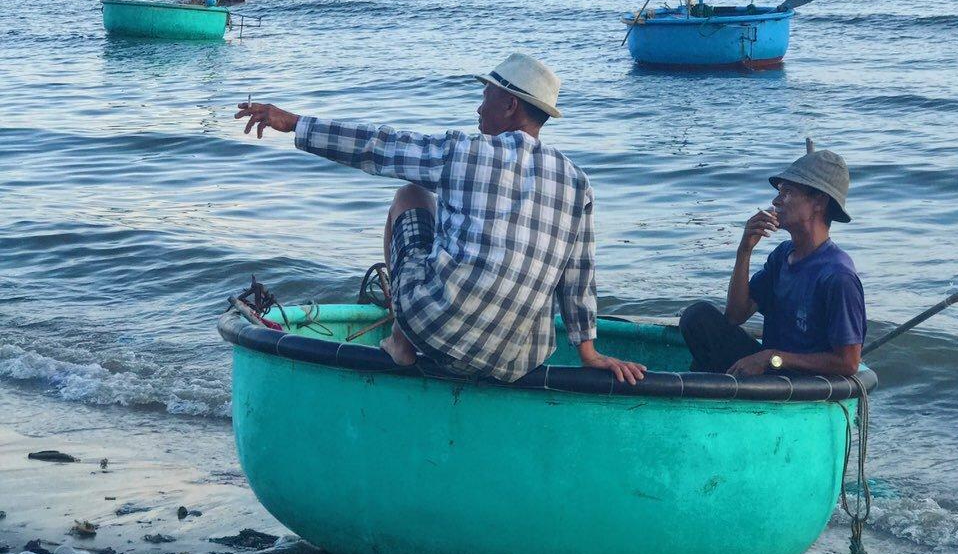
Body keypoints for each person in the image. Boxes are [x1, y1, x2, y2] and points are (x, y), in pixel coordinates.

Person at [235, 53, 645, 386]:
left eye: (486, 96)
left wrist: (292, 123)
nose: (478, 108)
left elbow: (377, 147)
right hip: (514, 362)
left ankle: (400, 339)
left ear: (510, 104)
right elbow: (579, 273)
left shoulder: (464, 152)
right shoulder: (578, 183)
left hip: (433, 328)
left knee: (409, 195)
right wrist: (588, 353)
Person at [679, 140, 865, 377]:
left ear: (819, 202)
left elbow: (848, 363)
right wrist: (744, 250)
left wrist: (773, 358)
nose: (776, 202)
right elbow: (735, 315)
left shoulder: (837, 275)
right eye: (779, 192)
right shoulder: (782, 256)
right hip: (769, 372)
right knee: (698, 318)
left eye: (787, 193)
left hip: (800, 386)